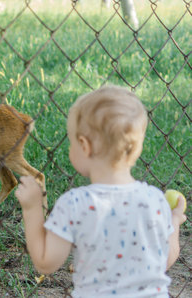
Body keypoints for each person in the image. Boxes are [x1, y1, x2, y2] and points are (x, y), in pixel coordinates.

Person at [15, 85, 187, 297]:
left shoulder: (75, 204)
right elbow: (167, 258)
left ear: (84, 146)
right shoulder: (154, 200)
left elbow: (45, 262)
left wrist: (32, 209)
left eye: (71, 143)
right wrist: (174, 222)